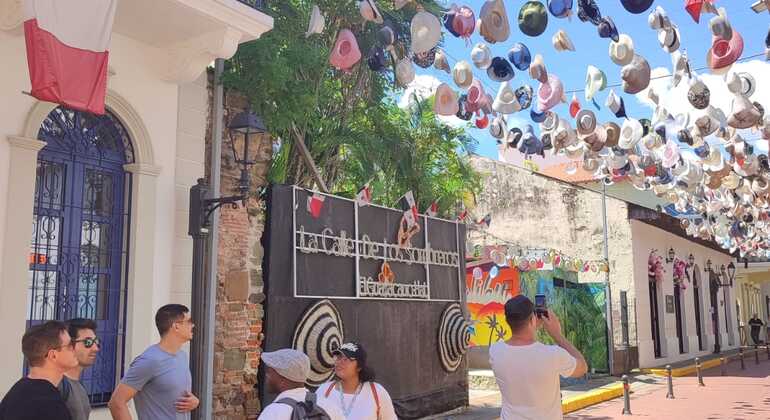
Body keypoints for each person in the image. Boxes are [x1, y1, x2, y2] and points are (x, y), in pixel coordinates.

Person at [489, 295, 588, 420]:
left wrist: (530, 324)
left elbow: (522, 354)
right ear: (532, 319)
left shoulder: (495, 351)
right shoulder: (553, 355)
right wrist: (557, 335)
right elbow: (582, 367)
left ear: (507, 321)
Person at [108, 304, 198, 420]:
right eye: (189, 321)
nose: (193, 325)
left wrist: (195, 402)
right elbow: (116, 403)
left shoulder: (182, 356)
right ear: (176, 326)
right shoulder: (149, 360)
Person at [0, 320, 79, 420]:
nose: (75, 349)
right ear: (53, 355)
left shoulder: (15, 394)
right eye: (70, 345)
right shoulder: (51, 405)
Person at [316, 342, 397, 420]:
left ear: (359, 367)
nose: (339, 362)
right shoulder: (324, 391)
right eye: (338, 357)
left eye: (346, 359)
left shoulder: (377, 392)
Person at [257, 348, 344, 420]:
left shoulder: (274, 412)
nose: (266, 376)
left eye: (269, 372)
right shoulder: (330, 407)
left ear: (282, 380)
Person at [60, 318, 101, 420]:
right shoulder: (58, 385)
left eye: (96, 342)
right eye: (88, 342)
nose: (96, 348)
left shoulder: (79, 387)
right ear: (69, 345)